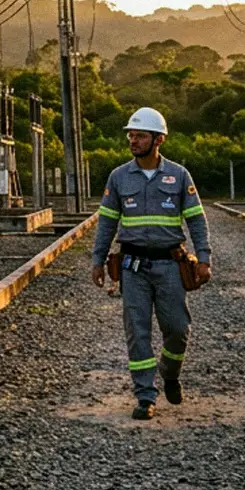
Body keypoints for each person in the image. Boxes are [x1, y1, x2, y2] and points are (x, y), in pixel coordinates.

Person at [88, 107, 212, 420]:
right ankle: (145, 395)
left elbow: (196, 220)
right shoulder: (118, 177)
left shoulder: (179, 175)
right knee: (137, 332)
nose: (133, 140)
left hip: (170, 265)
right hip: (132, 267)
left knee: (177, 329)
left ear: (158, 139)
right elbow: (106, 223)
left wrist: (204, 258)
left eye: (140, 135)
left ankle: (170, 373)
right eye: (131, 135)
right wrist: (98, 260)